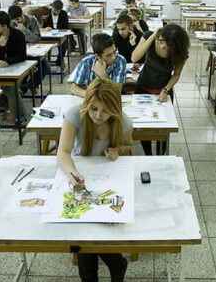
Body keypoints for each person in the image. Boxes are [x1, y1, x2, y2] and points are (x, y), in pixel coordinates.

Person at [56, 78, 133, 282]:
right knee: (84, 233)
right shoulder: (75, 114)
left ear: (115, 109)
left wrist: (118, 151)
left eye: (105, 111)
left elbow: (128, 147)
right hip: (81, 177)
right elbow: (63, 153)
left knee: (95, 229)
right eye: (94, 109)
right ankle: (114, 263)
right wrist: (73, 174)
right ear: (86, 104)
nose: (98, 115)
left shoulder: (124, 121)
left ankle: (113, 264)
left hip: (110, 178)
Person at [132, 24, 190, 155]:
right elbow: (134, 57)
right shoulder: (149, 37)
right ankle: (148, 154)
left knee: (163, 128)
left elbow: (176, 75)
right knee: (143, 127)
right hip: (143, 87)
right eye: (161, 41)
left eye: (168, 44)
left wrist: (166, 90)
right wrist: (153, 37)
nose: (163, 46)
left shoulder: (180, 53)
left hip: (163, 91)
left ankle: (160, 155)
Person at [0, 11, 28, 125]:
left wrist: (8, 61)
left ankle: (20, 118)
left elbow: (22, 55)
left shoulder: (17, 35)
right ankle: (0, 106)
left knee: (10, 87)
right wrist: (0, 47)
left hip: (16, 68)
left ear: (5, 26)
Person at [71, 33, 127, 98]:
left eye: (114, 52)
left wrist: (103, 75)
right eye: (108, 55)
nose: (113, 57)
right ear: (98, 56)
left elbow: (116, 92)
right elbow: (74, 88)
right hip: (93, 100)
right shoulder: (86, 62)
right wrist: (93, 95)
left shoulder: (120, 60)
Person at [9, 5, 49, 91]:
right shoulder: (11, 23)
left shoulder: (31, 20)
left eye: (18, 19)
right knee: (24, 67)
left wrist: (25, 31)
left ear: (22, 15)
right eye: (14, 20)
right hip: (19, 54)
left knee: (46, 66)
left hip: (33, 52)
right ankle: (22, 88)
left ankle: (27, 86)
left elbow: (37, 38)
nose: (16, 22)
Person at [43, 0, 70, 70]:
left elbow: (66, 27)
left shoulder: (63, 14)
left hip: (60, 35)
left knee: (65, 44)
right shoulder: (46, 13)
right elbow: (43, 25)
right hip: (48, 34)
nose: (56, 12)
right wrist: (46, 29)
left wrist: (62, 32)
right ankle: (45, 63)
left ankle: (59, 60)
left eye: (58, 11)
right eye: (55, 10)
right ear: (52, 7)